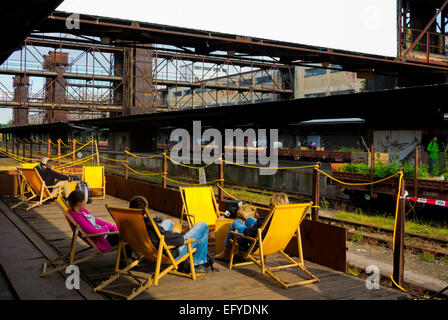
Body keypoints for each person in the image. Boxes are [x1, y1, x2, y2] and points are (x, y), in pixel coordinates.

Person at [129, 195, 211, 274]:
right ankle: (198, 263)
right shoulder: (149, 225)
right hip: (169, 254)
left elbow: (160, 235)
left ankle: (171, 232)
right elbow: (178, 241)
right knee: (203, 226)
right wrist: (177, 234)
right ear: (146, 210)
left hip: (149, 249)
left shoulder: (129, 222)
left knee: (168, 222)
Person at [215, 193, 289, 261]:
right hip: (273, 243)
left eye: (270, 204)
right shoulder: (284, 220)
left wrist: (252, 226)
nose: (268, 206)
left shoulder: (265, 220)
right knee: (249, 219)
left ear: (274, 206)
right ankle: (238, 254)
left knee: (236, 223)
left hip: (252, 244)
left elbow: (247, 232)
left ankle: (226, 254)